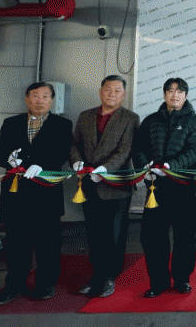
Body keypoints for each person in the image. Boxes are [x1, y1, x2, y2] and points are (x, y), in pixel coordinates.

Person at [0, 82, 72, 307]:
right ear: (27, 99)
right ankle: (14, 285)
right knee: (16, 242)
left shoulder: (63, 124)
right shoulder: (11, 123)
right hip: (16, 193)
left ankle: (46, 284)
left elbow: (62, 153)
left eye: (45, 96)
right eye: (35, 95)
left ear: (52, 100)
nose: (39, 100)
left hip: (46, 192)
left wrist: (41, 165)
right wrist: (8, 160)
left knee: (47, 241)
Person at [133, 77, 196, 298]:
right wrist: (145, 166)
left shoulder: (194, 121)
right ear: (164, 94)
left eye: (180, 91)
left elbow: (194, 150)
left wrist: (171, 166)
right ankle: (159, 281)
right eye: (171, 91)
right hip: (155, 188)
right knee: (152, 236)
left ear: (186, 95)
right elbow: (138, 147)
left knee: (184, 236)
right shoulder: (151, 120)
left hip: (182, 187)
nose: (175, 95)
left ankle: (182, 279)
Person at [70, 75, 140, 298]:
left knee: (114, 235)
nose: (112, 94)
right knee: (94, 233)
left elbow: (126, 150)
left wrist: (105, 169)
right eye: (108, 89)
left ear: (124, 94)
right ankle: (96, 275)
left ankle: (109, 277)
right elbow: (74, 144)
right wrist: (76, 162)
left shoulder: (131, 118)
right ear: (101, 91)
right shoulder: (85, 116)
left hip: (116, 185)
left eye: (117, 90)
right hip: (89, 184)